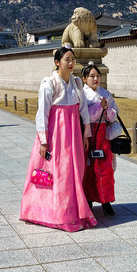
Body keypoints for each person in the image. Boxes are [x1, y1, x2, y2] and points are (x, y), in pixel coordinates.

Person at [20, 46, 97, 232]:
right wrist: (43, 140)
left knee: (75, 171)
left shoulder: (77, 83)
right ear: (57, 62)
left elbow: (83, 110)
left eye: (73, 59)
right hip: (56, 134)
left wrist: (86, 133)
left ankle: (74, 210)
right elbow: (42, 114)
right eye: (67, 60)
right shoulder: (49, 83)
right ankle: (57, 213)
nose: (71, 63)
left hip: (74, 134)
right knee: (59, 173)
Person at [82, 62, 119, 216]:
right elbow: (85, 116)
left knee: (106, 170)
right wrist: (99, 107)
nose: (95, 79)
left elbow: (115, 113)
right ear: (84, 79)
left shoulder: (105, 93)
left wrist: (108, 109)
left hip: (103, 136)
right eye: (92, 76)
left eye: (98, 76)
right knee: (88, 170)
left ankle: (106, 201)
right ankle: (88, 201)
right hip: (88, 135)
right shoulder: (82, 95)